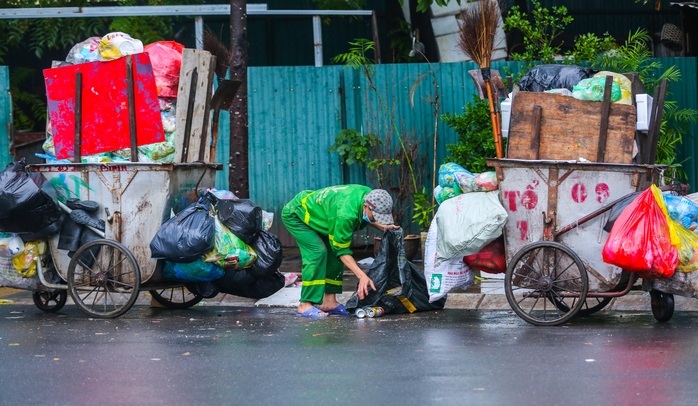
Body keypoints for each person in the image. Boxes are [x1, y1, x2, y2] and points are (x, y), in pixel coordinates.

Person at [281, 185, 400, 318]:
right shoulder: (346, 214)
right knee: (317, 253)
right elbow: (342, 250)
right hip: (297, 215)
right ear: (366, 205)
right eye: (377, 216)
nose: (378, 219)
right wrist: (361, 275)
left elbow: (363, 216)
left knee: (333, 253)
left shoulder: (369, 195)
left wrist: (382, 226)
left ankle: (329, 302)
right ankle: (305, 304)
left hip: (324, 216)